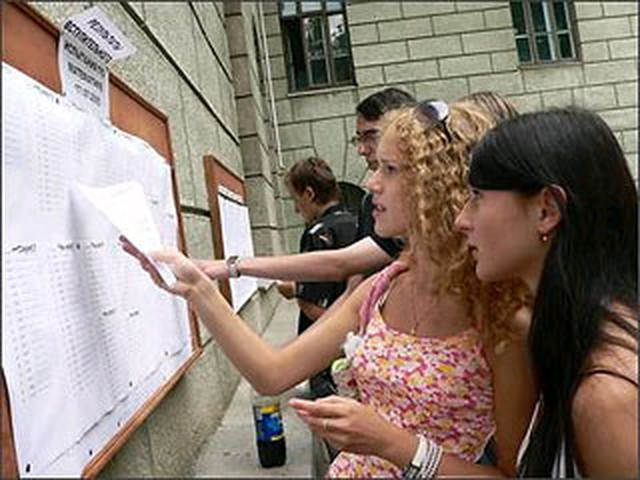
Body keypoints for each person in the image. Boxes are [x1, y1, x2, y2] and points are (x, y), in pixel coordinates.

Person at [121, 99, 536, 477]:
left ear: (440, 184)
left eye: (390, 170)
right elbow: (271, 373)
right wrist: (199, 289)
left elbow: (509, 474)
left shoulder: (503, 319)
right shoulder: (381, 289)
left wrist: (393, 444)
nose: (371, 183)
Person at [455, 107, 638, 477]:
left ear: (546, 211)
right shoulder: (570, 335)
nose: (461, 220)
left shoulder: (605, 397)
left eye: (477, 196)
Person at [193, 88, 416, 284]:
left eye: (370, 136)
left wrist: (234, 266)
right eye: (358, 139)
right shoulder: (369, 204)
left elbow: (341, 266)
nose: (361, 150)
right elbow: (353, 286)